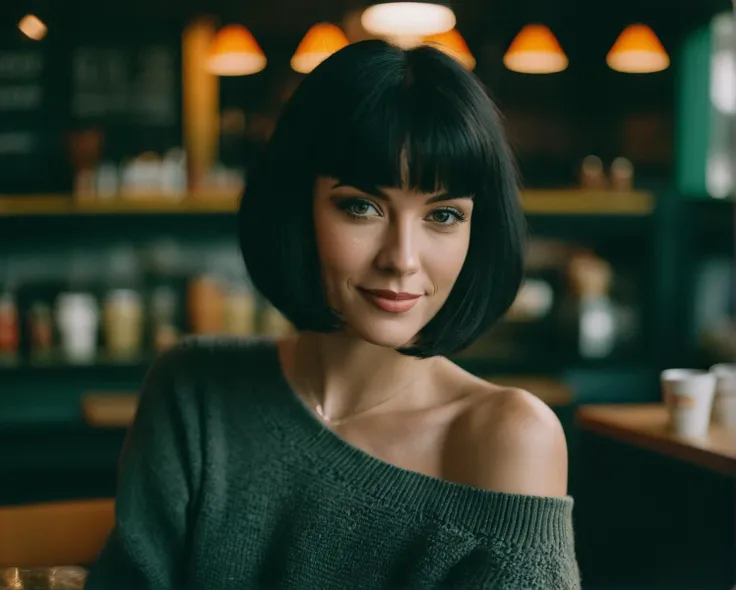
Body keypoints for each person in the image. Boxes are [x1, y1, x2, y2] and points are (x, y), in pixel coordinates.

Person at [85, 39, 580, 589]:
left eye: (443, 215)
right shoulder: (195, 390)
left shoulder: (508, 437)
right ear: (298, 206)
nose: (402, 259)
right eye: (361, 206)